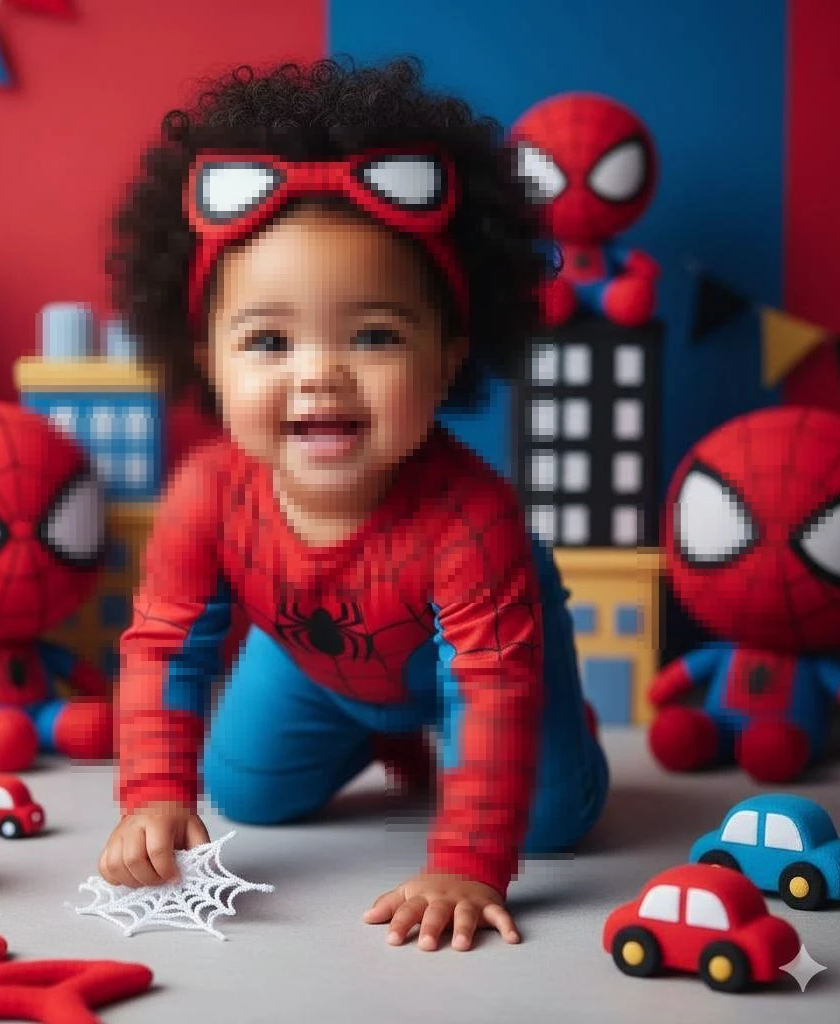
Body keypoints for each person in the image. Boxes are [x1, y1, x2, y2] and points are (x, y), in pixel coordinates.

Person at [99, 57, 608, 953]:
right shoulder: (208, 492)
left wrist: (466, 860)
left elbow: (490, 688)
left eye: (374, 335)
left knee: (550, 825)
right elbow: (166, 645)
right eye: (268, 339)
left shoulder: (472, 518)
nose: (319, 373)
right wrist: (151, 792)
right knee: (244, 793)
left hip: (490, 664)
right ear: (208, 361)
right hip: (319, 660)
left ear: (451, 356)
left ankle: (549, 721)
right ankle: (385, 737)